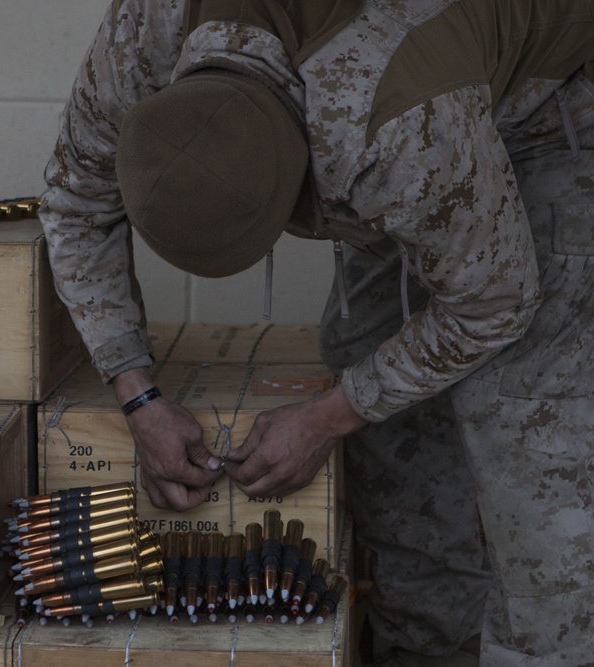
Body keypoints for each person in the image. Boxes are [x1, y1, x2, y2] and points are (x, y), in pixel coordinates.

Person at [38, 1, 594, 665]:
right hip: (406, 123)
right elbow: (74, 205)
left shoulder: (396, 128)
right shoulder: (145, 31)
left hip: (544, 112)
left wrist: (329, 417)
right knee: (390, 421)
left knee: (533, 462)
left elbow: (495, 302)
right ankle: (426, 648)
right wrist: (137, 397)